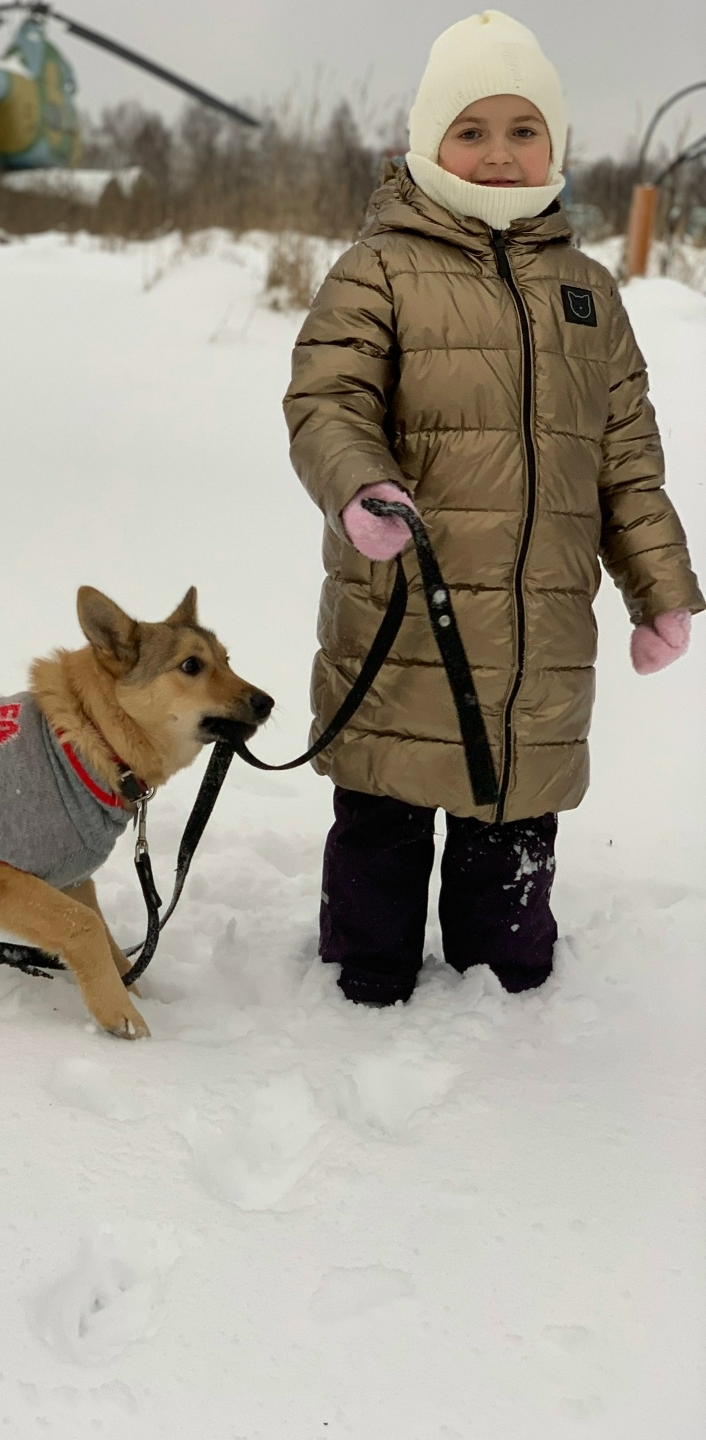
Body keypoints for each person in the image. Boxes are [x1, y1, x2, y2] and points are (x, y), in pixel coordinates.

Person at [283, 10, 703, 1007]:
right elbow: (326, 400)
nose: (500, 153)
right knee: (384, 810)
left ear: (554, 145)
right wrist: (361, 486)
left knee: (512, 826)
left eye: (524, 130)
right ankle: (368, 966)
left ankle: (502, 972)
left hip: (539, 635)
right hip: (404, 609)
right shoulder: (379, 267)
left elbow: (626, 462)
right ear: (429, 141)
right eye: (473, 129)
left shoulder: (589, 291)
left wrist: (660, 587)